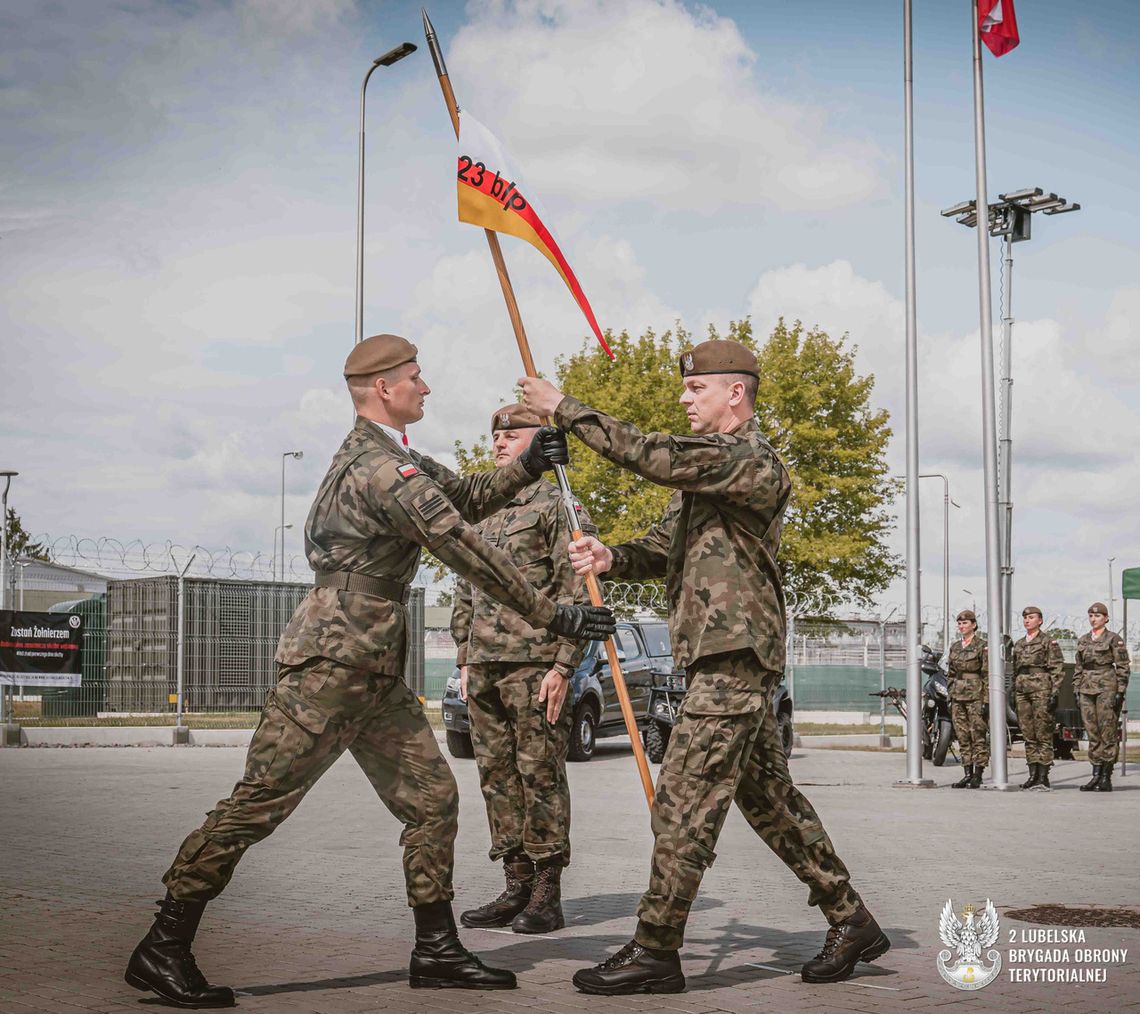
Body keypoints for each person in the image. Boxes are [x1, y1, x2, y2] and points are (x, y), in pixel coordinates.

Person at [124, 334, 615, 1008]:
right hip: (332, 662)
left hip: (372, 665)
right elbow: (465, 547)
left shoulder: (396, 459)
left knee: (432, 801)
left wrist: (529, 462)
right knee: (259, 803)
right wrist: (554, 616)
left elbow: (470, 496)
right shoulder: (383, 472)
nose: (426, 387)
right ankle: (164, 944)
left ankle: (436, 947)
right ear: (384, 388)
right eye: (417, 377)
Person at [518, 339, 889, 996]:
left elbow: (653, 456)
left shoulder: (751, 462)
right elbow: (668, 544)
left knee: (682, 804)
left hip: (734, 658)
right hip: (717, 657)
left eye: (696, 390)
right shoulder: (712, 473)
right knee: (771, 803)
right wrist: (613, 558)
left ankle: (656, 949)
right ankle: (850, 918)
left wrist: (565, 409)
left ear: (734, 393)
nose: (685, 399)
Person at [451, 403, 593, 935]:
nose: (499, 443)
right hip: (485, 666)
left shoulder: (558, 503)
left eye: (512, 434)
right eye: (496, 436)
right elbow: (466, 587)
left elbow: (578, 589)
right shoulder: (484, 508)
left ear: (539, 439)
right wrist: (463, 659)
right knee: (496, 777)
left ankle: (546, 893)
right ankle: (514, 884)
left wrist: (564, 665)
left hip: (535, 666)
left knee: (540, 775)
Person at [1074, 601, 1130, 793]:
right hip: (1086, 688)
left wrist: (1120, 691)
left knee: (1107, 731)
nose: (1093, 619)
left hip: (1107, 688)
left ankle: (1106, 776)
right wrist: (1076, 689)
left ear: (1106, 618)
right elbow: (1079, 668)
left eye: (1097, 616)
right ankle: (1095, 774)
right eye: (1090, 615)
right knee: (1092, 732)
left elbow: (1123, 667)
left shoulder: (1114, 639)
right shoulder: (1083, 640)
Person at [1010, 605, 1064, 790]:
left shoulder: (1048, 642)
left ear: (1040, 620)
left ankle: (1043, 775)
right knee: (1028, 733)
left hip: (1041, 690)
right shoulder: (1018, 644)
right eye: (1025, 617)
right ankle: (1032, 774)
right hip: (1022, 691)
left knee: (1043, 733)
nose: (1027, 620)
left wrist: (1054, 692)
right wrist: (1013, 690)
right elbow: (1015, 668)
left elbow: (1057, 669)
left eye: (1031, 617)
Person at [947, 610, 989, 789]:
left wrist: (986, 699)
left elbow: (987, 674)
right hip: (958, 695)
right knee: (962, 736)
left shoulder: (982, 646)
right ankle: (967, 773)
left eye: (965, 623)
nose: (962, 626)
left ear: (973, 625)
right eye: (959, 624)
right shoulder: (955, 647)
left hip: (975, 695)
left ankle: (978, 774)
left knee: (977, 734)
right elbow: (950, 673)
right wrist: (950, 694)